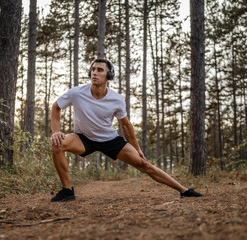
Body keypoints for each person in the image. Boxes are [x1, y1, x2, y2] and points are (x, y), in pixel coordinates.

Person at [50, 58, 202, 202]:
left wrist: (137, 149)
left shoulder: (116, 99)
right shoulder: (76, 93)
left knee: (144, 165)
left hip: (109, 140)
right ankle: (67, 190)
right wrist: (56, 132)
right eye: (93, 70)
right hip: (83, 138)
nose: (95, 73)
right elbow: (56, 107)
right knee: (57, 144)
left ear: (109, 75)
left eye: (100, 70)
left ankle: (184, 190)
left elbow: (126, 125)